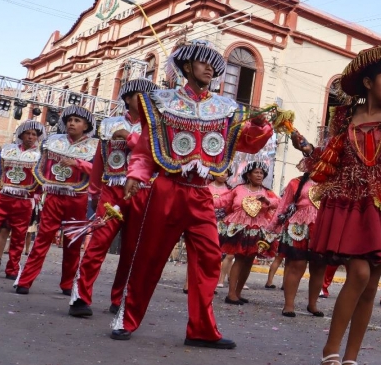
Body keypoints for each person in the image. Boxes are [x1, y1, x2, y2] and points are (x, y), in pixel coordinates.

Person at [115, 39, 279, 348]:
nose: (210, 69)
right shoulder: (162, 102)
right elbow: (145, 150)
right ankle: (125, 319)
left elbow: (246, 141)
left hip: (202, 193)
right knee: (148, 257)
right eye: (203, 63)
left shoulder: (225, 108)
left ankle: (202, 330)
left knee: (209, 259)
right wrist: (136, 175)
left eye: (214, 65)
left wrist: (259, 126)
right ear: (187, 66)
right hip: (166, 189)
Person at [297, 44, 381, 365]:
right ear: (369, 82)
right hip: (350, 202)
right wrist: (307, 150)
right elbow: (331, 156)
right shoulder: (344, 116)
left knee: (371, 286)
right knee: (358, 273)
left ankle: (350, 357)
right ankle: (331, 349)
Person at [68, 78, 156, 318]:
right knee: (97, 244)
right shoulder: (109, 124)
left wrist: (128, 137)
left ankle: (120, 299)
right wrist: (94, 193)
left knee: (132, 251)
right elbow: (100, 160)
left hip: (143, 192)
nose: (147, 101)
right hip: (112, 191)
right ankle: (80, 296)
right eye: (142, 96)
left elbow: (153, 155)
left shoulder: (156, 127)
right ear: (127, 98)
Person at [15, 106, 98, 295]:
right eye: (69, 120)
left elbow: (98, 171)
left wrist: (78, 163)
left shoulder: (94, 146)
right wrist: (41, 186)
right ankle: (25, 280)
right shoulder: (53, 141)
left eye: (77, 120)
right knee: (42, 239)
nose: (72, 123)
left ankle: (67, 284)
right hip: (53, 196)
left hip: (78, 198)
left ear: (86, 126)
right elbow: (40, 166)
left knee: (73, 243)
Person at [0, 120, 44, 279]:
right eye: (28, 133)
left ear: (37, 137)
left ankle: (12, 268)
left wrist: (35, 196)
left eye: (34, 134)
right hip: (3, 198)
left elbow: (41, 180)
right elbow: (0, 174)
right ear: (21, 135)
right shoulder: (7, 150)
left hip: (24, 200)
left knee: (19, 236)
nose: (31, 137)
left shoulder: (40, 156)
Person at [217, 161, 280, 305]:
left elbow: (279, 203)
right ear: (248, 175)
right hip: (239, 229)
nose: (259, 175)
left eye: (262, 173)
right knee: (239, 259)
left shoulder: (266, 192)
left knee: (249, 260)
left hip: (257, 230)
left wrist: (267, 200)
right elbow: (223, 201)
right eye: (256, 172)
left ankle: (238, 293)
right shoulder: (238, 189)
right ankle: (231, 294)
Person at [274, 172, 326, 318]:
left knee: (319, 267)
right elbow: (283, 206)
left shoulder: (332, 183)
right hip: (298, 226)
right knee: (296, 265)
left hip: (322, 228)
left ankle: (313, 304)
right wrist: (272, 228)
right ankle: (289, 305)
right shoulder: (295, 182)